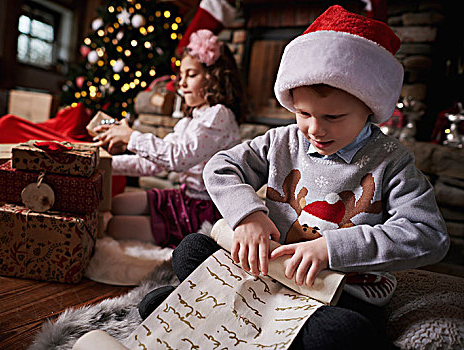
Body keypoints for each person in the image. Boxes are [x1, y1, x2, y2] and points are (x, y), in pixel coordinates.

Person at [141, 5, 450, 349]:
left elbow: (429, 235)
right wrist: (249, 217)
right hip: (265, 273)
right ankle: (248, 316)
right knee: (190, 250)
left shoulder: (391, 162)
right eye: (303, 113)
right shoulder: (283, 140)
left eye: (333, 116)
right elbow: (221, 165)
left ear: (369, 108)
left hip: (332, 293)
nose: (315, 129)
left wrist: (331, 249)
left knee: (343, 335)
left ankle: (229, 316)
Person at [93, 29, 247, 248]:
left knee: (115, 226)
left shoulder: (219, 115)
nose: (182, 84)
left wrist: (131, 137)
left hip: (204, 210)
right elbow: (153, 164)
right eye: (181, 76)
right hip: (183, 197)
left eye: (191, 75)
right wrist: (104, 164)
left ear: (214, 78)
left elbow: (177, 158)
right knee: (117, 204)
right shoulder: (190, 120)